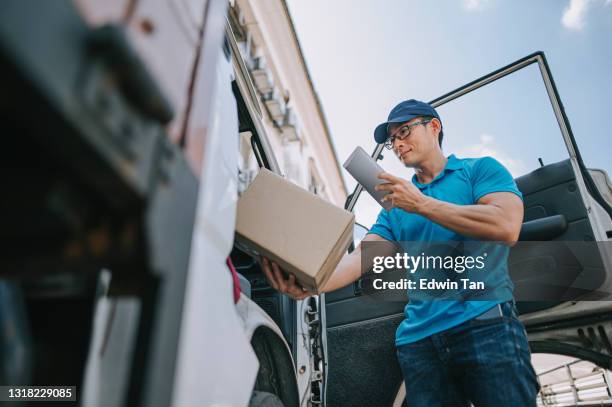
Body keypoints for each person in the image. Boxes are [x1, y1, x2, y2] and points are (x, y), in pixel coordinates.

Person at [261, 99, 539, 406]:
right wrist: (311, 285)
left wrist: (422, 204)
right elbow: (358, 261)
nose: (398, 143)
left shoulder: (479, 170)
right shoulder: (395, 207)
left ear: (434, 127)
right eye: (393, 139)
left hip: (485, 325)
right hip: (420, 343)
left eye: (404, 131)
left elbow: (506, 225)